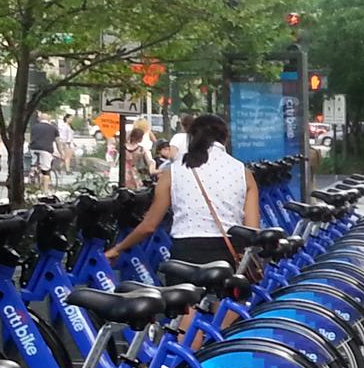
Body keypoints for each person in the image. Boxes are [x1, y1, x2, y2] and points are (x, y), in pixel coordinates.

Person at [106, 113, 258, 269]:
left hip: (186, 255)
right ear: (225, 139)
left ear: (191, 137)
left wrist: (118, 249)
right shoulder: (243, 172)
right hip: (229, 254)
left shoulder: (173, 171)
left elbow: (149, 226)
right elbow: (252, 230)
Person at [28, 111, 60, 194]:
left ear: (39, 119)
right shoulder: (53, 128)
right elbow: (58, 142)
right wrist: (61, 152)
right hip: (46, 149)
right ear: (48, 119)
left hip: (34, 148)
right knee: (46, 170)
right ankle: (45, 191)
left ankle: (33, 172)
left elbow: (31, 138)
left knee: (35, 162)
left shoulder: (34, 127)